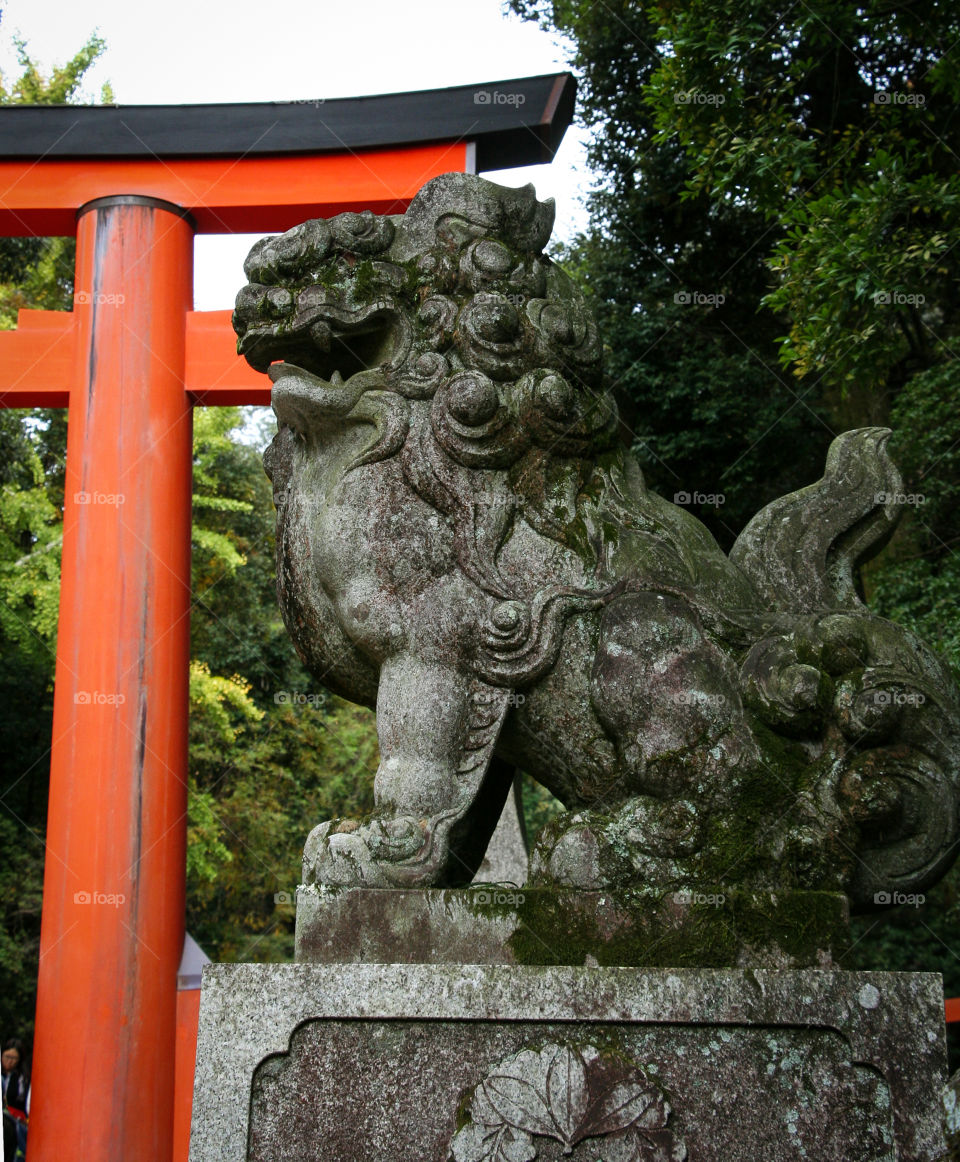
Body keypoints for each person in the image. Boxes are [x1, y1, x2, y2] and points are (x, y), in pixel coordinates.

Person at [1, 1041, 28, 1162]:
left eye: (13, 1058)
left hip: (15, 1118)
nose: (9, 1061)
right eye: (7, 1056)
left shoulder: (22, 1078)